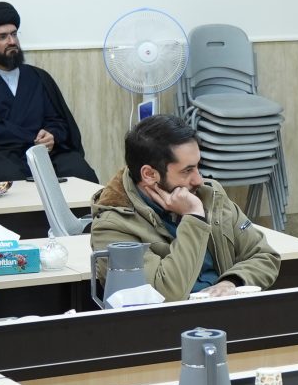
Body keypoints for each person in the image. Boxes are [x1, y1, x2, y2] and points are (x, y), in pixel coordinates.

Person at [87, 115, 278, 301]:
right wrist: (194, 217)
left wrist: (230, 282)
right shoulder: (113, 226)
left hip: (226, 314)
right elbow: (165, 295)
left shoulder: (210, 195)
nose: (199, 180)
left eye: (198, 167)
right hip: (169, 327)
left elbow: (264, 255)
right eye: (187, 170)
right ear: (149, 174)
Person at [0, 2, 94, 182]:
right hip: (0, 155)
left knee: (78, 169)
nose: (11, 41)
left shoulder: (39, 77)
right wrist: (30, 136)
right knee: (7, 178)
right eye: (2, 37)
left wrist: (52, 135)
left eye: (13, 34)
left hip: (44, 153)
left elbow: (58, 120)